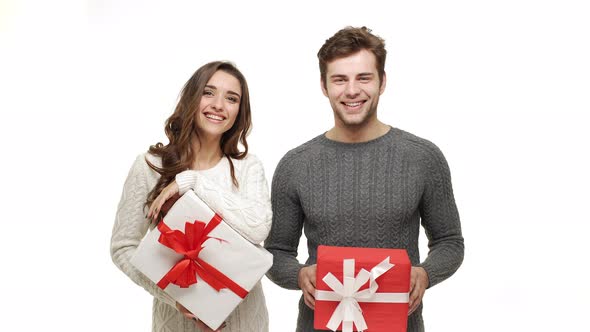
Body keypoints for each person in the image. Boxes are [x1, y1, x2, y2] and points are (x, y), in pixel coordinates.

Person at [264, 27, 464, 331]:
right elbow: (276, 252)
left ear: (382, 82)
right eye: (340, 79)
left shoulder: (422, 157)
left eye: (364, 78)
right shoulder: (296, 165)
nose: (352, 90)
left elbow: (450, 243)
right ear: (324, 85)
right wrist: (299, 275)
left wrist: (424, 274)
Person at [111, 61, 272, 332]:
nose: (219, 104)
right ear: (192, 98)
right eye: (208, 93)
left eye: (231, 98)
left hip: (245, 323)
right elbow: (123, 246)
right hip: (176, 324)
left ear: (239, 112)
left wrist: (192, 182)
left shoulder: (248, 167)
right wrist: (173, 297)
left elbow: (257, 229)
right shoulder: (151, 166)